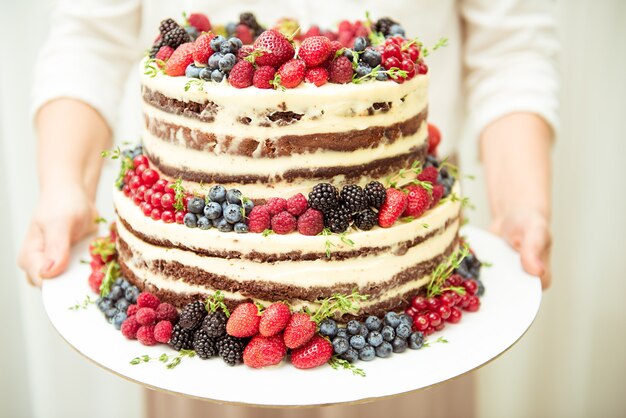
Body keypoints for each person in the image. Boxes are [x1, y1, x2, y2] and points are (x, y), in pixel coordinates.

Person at [18, 1, 557, 417]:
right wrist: (65, 183)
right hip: (198, 362)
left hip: (418, 360)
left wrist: (520, 202)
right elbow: (89, 37)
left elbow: (511, 47)